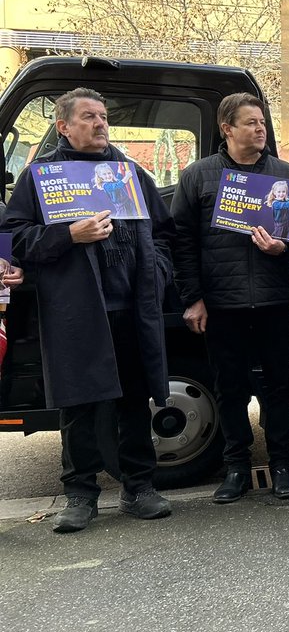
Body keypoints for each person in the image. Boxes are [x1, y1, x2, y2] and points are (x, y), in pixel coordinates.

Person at [1, 88, 174, 533]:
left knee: (134, 399)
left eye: (102, 117)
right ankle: (80, 494)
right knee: (79, 404)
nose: (100, 124)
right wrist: (67, 236)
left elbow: (165, 235)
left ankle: (140, 487)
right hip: (77, 311)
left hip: (133, 309)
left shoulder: (131, 173)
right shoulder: (42, 175)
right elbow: (14, 237)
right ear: (63, 126)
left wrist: (155, 274)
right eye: (88, 117)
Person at [172, 92, 289, 503]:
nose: (260, 128)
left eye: (262, 122)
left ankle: (282, 465)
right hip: (222, 304)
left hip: (274, 300)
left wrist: (282, 249)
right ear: (227, 129)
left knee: (281, 386)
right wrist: (193, 298)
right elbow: (181, 241)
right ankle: (236, 469)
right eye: (250, 122)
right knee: (229, 389)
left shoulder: (286, 176)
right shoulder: (198, 175)